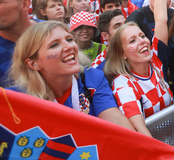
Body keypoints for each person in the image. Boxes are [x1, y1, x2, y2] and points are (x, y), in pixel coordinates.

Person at [7, 21, 135, 131]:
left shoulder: (92, 78)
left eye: (69, 39)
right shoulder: (16, 99)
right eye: (54, 45)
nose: (69, 46)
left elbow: (116, 121)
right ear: (33, 63)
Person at [105, 0, 172, 136]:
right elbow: (140, 131)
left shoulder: (155, 61)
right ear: (122, 53)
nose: (142, 41)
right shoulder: (123, 84)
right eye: (132, 41)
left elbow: (160, 20)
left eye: (142, 36)